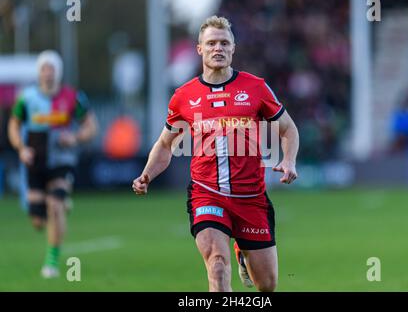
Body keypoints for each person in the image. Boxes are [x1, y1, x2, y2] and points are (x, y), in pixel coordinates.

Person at [132, 16, 299, 292]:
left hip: (251, 199)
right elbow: (165, 144)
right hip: (206, 194)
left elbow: (289, 129)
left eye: (224, 43)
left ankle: (243, 253)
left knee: (267, 286)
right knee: (217, 266)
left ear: (233, 48)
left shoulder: (256, 88)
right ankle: (227, 255)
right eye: (211, 43)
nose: (217, 48)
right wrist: (147, 174)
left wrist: (289, 160)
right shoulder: (184, 97)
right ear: (200, 49)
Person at [8, 50, 97, 278]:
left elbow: (91, 126)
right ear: (39, 72)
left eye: (52, 69)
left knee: (54, 206)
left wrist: (75, 137)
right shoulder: (26, 98)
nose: (48, 73)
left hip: (61, 161)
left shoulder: (72, 97)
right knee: (38, 221)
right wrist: (21, 148)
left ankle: (52, 263)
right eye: (44, 69)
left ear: (58, 72)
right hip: (35, 162)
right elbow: (14, 126)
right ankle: (58, 205)